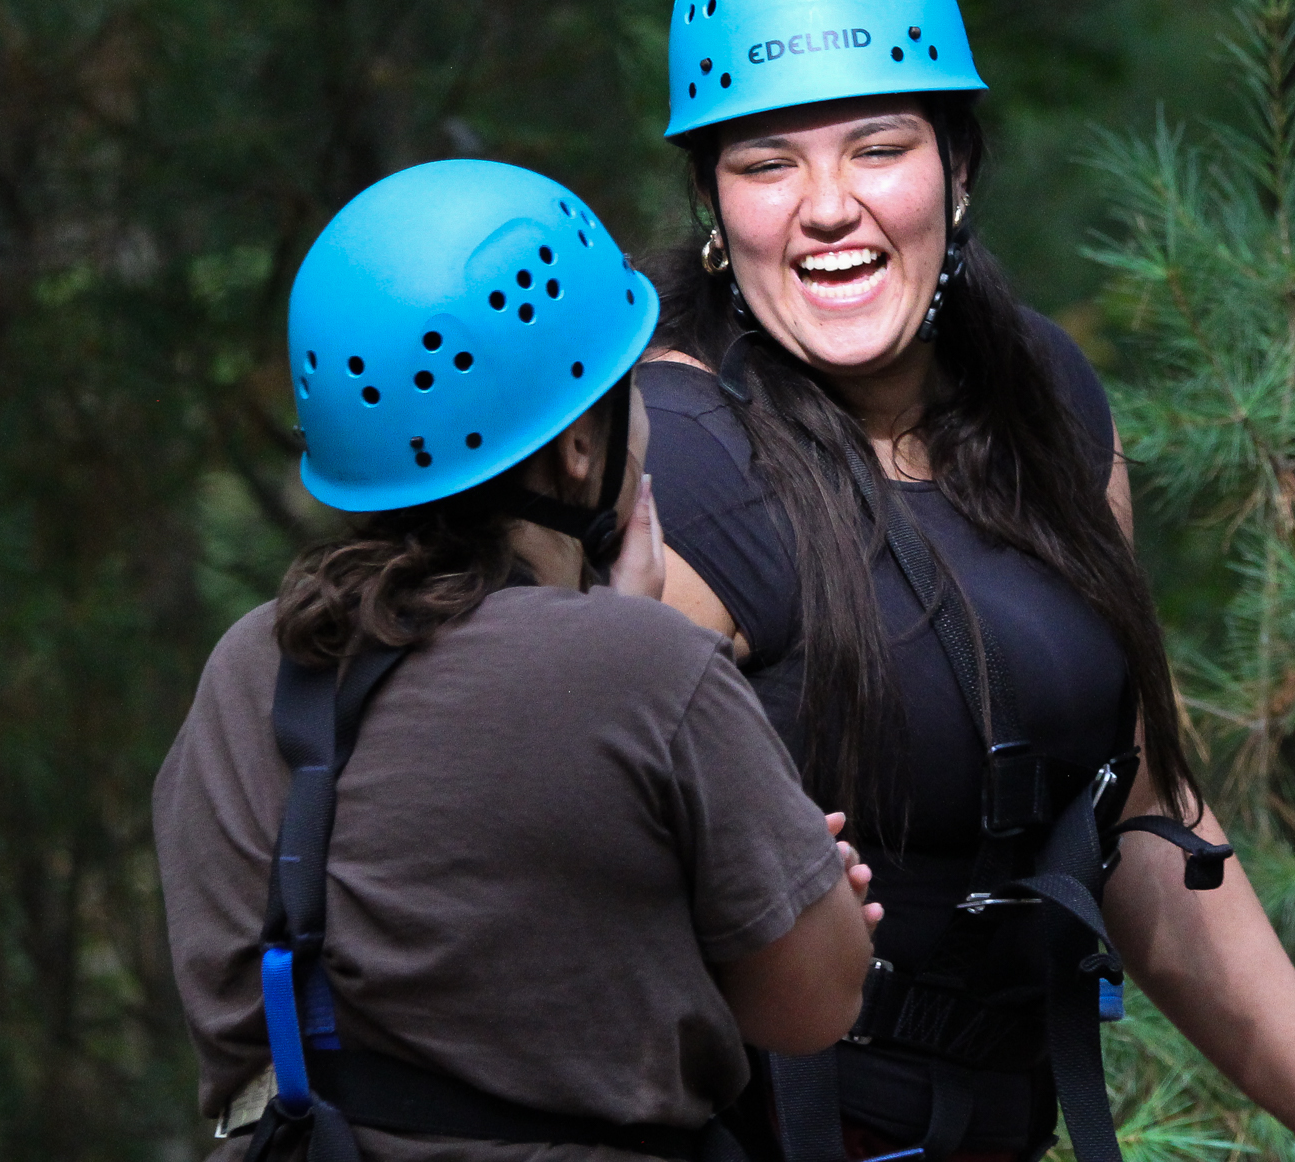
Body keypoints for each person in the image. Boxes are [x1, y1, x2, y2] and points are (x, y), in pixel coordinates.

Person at [640, 0, 1295, 1162]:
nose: (826, 206)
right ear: (717, 212)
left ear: (957, 165)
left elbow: (1146, 818)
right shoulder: (671, 473)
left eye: (877, 147)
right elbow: (569, 904)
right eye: (767, 163)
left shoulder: (1044, 408)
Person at [155, 157, 878, 1161]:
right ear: (581, 444)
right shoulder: (650, 672)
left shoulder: (248, 668)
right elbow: (815, 1000)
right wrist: (814, 889)